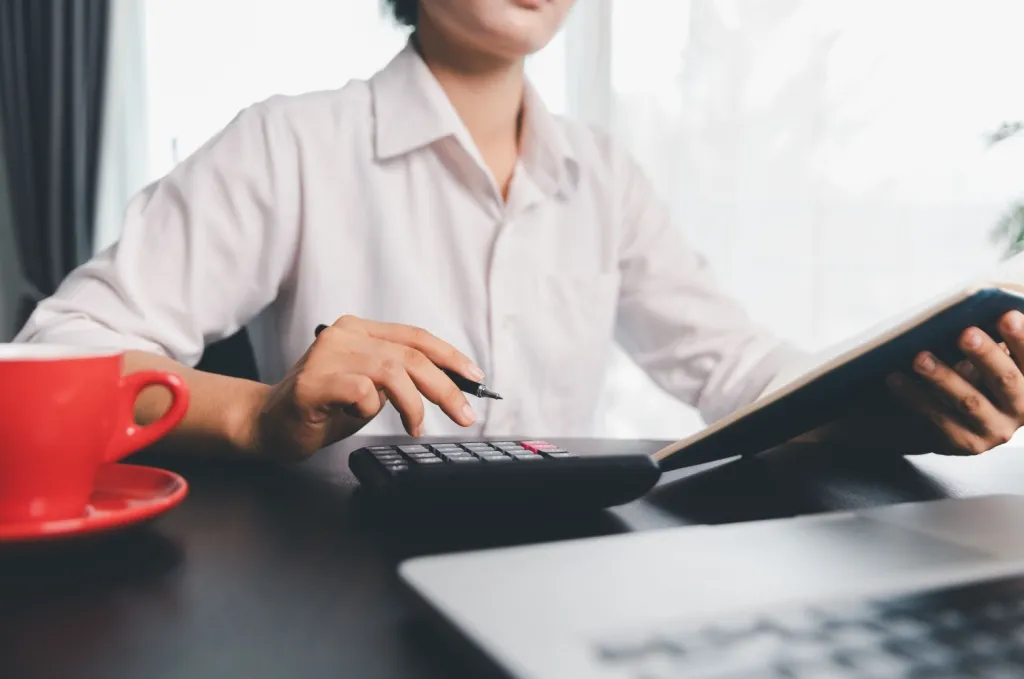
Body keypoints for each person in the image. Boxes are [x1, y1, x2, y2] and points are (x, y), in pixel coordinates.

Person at [15, 0, 1024, 461]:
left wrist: (891, 402)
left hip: (561, 574)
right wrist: (254, 411)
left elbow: (740, 372)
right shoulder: (289, 143)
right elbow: (50, 363)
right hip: (332, 578)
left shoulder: (604, 176)